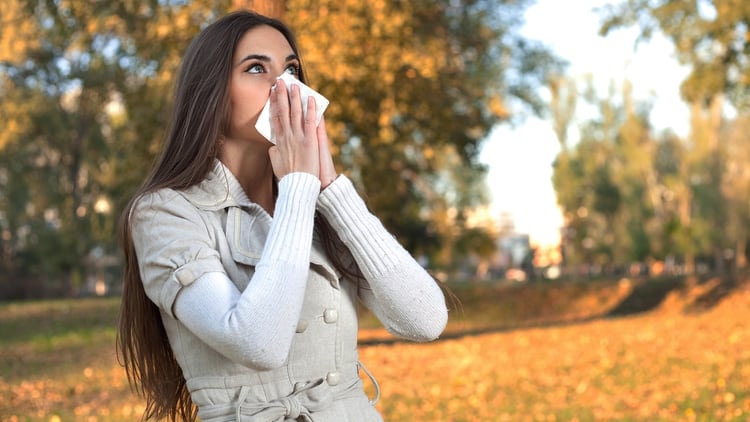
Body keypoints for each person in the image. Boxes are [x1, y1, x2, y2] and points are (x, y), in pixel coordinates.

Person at [116, 10, 448, 422]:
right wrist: (298, 188)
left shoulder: (315, 202)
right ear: (212, 94)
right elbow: (259, 343)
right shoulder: (164, 212)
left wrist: (330, 188)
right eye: (257, 68)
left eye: (291, 69)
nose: (285, 87)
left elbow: (426, 320)